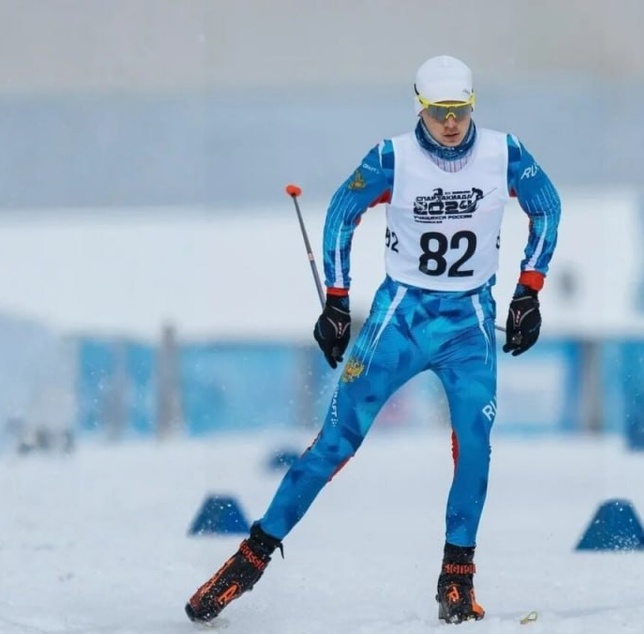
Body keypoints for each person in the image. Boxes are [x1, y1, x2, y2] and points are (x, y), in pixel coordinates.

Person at [185, 54, 562, 625]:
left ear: (472, 105)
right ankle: (250, 558)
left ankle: (457, 578)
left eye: (460, 111)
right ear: (420, 107)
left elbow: (547, 208)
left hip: (468, 324)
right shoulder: (392, 157)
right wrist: (337, 301)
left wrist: (528, 291)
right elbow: (342, 212)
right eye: (439, 112)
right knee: (336, 442)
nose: (451, 124)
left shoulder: (503, 152)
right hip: (400, 319)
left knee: (475, 443)